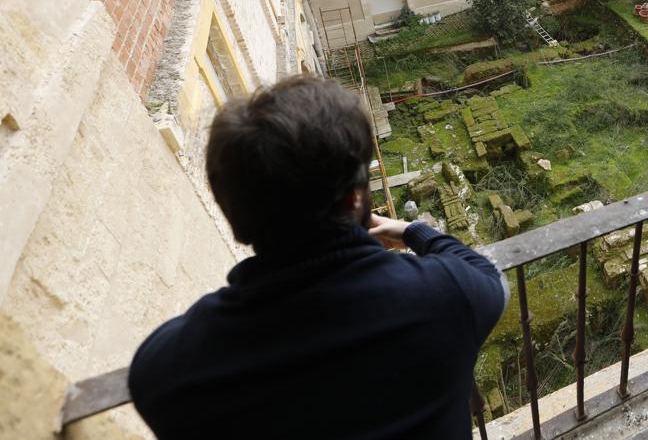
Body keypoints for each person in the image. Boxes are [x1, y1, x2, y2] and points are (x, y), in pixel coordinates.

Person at [128, 76, 508, 438]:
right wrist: (411, 230)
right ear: (355, 197)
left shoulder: (168, 371)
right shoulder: (444, 295)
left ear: (237, 223)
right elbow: (490, 277)